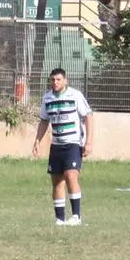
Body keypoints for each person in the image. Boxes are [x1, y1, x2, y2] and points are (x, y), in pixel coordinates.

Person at [33, 67, 94, 226]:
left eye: (58, 79)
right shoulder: (47, 98)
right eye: (53, 80)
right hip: (56, 145)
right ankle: (59, 219)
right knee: (57, 181)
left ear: (65, 81)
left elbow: (88, 116)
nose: (55, 82)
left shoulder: (75, 95)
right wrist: (37, 141)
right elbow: (44, 121)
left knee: (70, 175)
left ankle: (76, 217)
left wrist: (89, 141)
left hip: (73, 143)